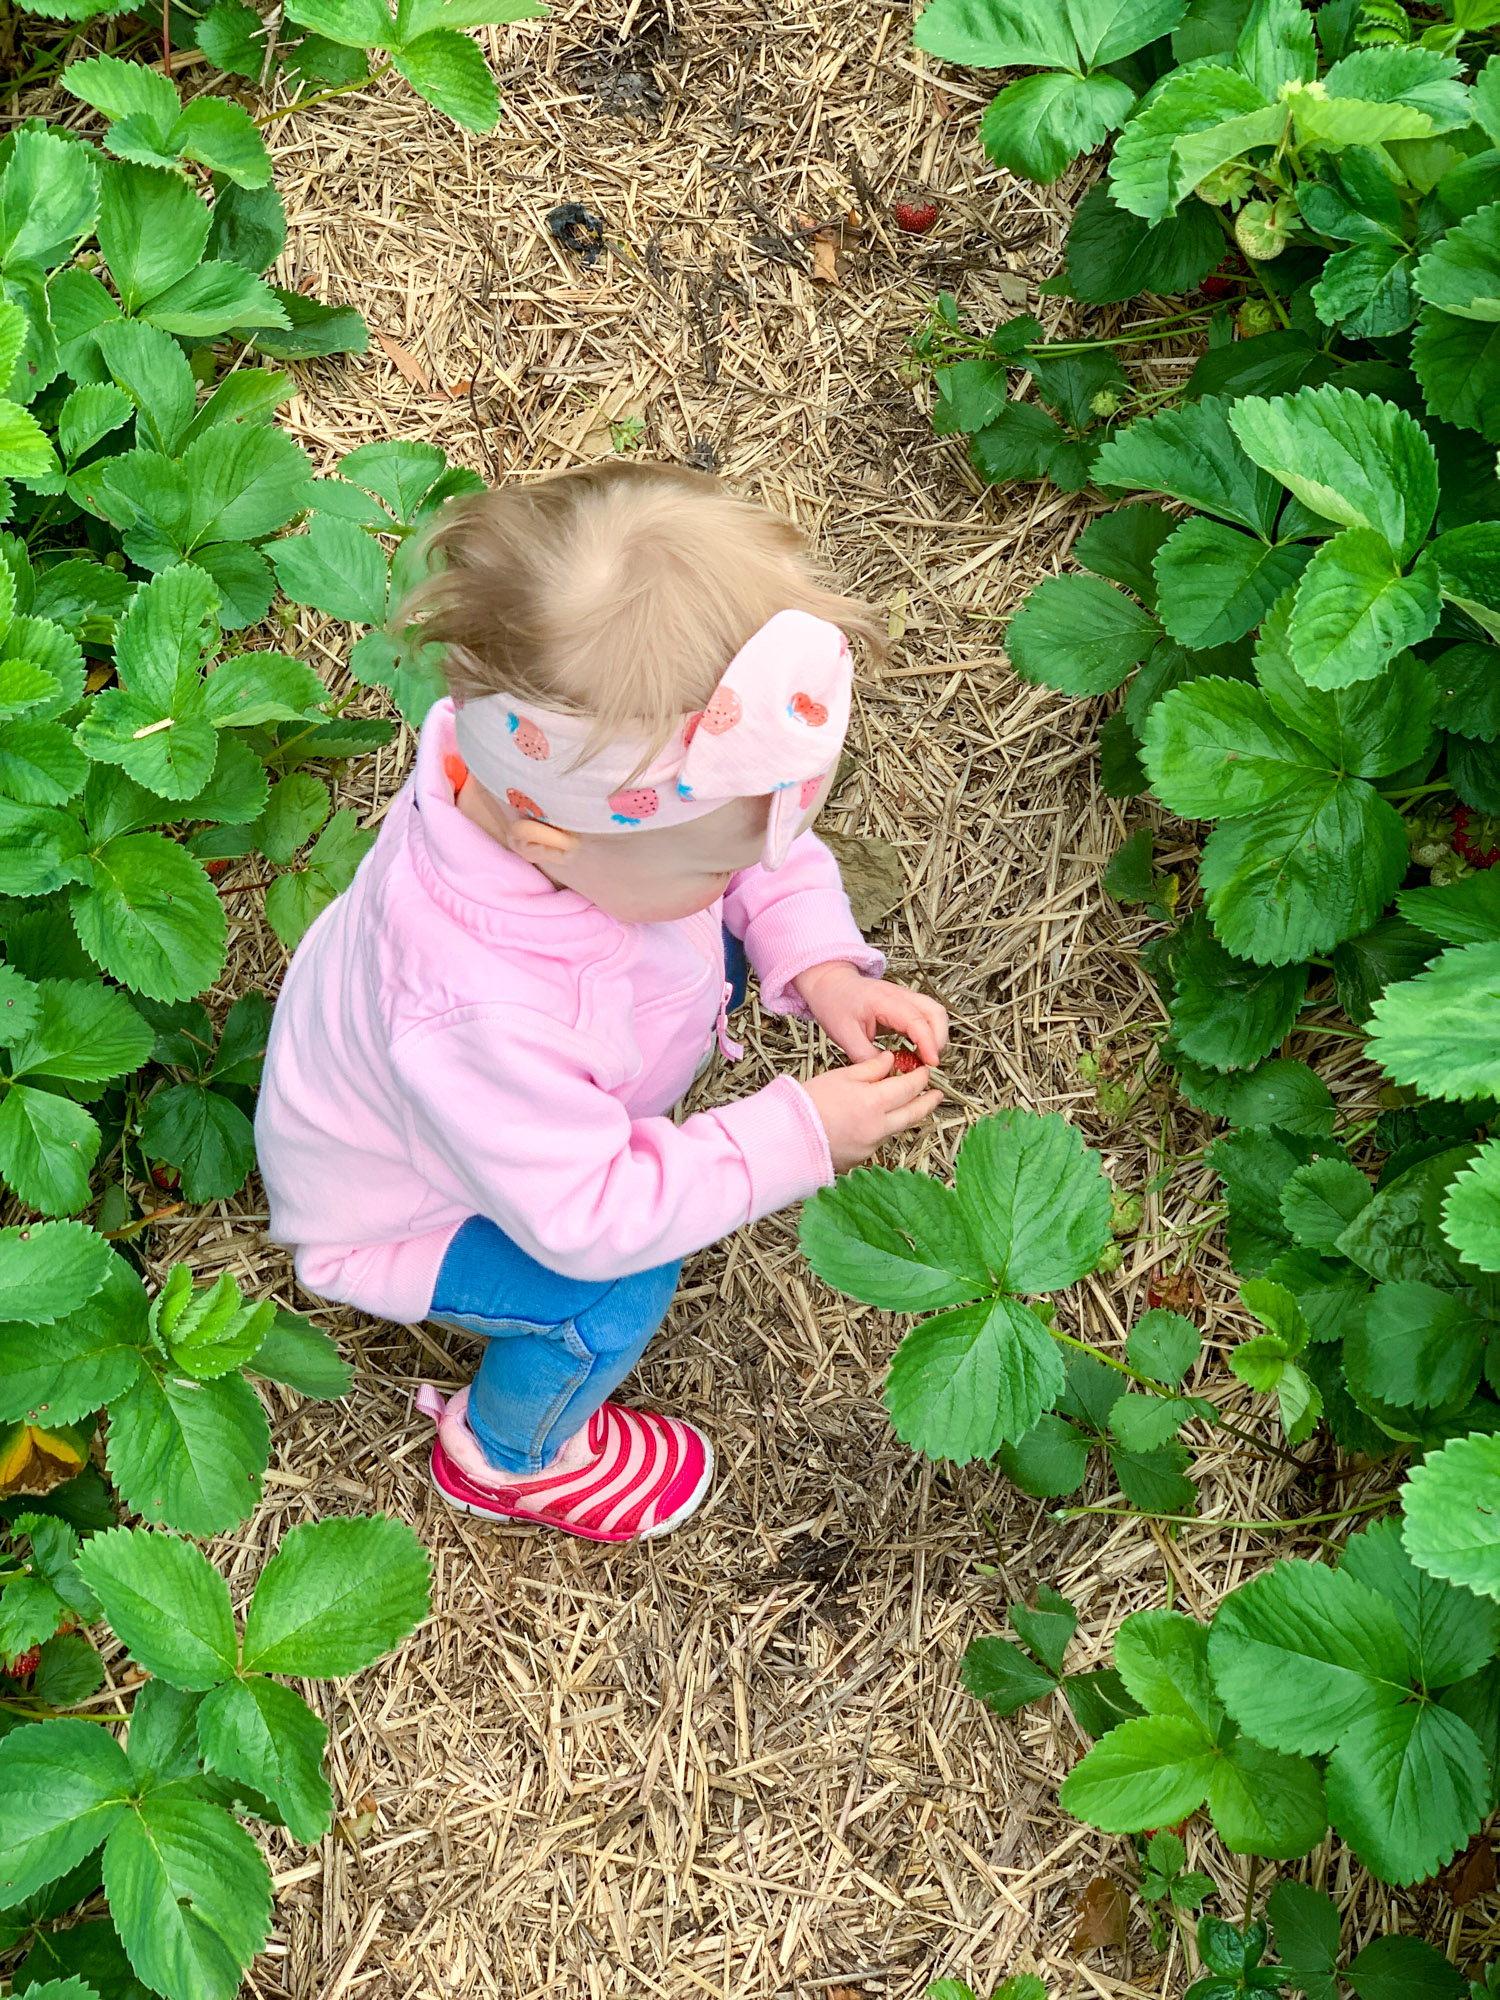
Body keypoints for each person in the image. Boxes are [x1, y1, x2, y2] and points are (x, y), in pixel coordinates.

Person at [255, 461, 948, 1543]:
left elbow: (743, 850)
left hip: (504, 1108)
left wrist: (821, 965)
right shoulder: (482, 1008)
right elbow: (587, 1219)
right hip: (415, 1204)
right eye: (717, 868)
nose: (746, 875)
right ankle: (508, 1454)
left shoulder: (531, 791)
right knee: (616, 1287)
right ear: (553, 841)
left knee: (702, 918)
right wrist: (795, 1134)